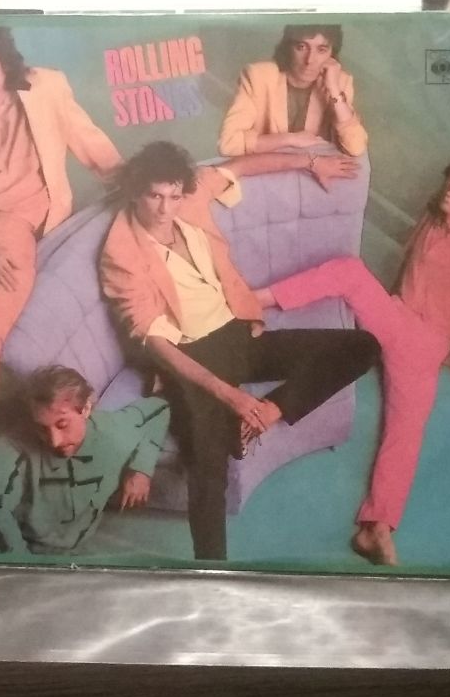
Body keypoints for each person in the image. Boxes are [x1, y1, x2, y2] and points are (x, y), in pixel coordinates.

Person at [98, 140, 379, 561]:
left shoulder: (190, 197)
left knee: (362, 346)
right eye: (155, 196)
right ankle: (211, 572)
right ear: (137, 192)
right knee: (208, 468)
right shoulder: (121, 253)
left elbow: (240, 166)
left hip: (238, 333)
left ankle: (271, 411)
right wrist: (228, 396)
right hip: (188, 356)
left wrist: (311, 161)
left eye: (173, 196)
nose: (165, 209)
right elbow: (156, 342)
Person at [253, 146, 450, 567]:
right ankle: (255, 302)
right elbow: (407, 277)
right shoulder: (432, 220)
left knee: (406, 431)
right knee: (350, 277)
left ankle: (377, 528)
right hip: (398, 322)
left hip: (427, 345)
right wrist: (384, 310)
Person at [0, 27, 122, 550]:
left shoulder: (47, 87)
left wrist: (140, 194)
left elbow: (94, 148)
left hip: (16, 224)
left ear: (2, 57)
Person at [0, 365, 171, 556]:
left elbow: (159, 409)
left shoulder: (112, 431)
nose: (54, 441)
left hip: (83, 550)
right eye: (42, 428)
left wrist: (141, 469)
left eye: (62, 424)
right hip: (27, 551)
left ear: (86, 409)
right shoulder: (13, 444)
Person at [219, 24, 368, 158]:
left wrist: (334, 91)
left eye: (321, 50)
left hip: (315, 174)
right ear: (288, 47)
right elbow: (228, 144)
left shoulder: (340, 82)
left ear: (331, 55)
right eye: (301, 47)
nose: (310, 60)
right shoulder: (258, 77)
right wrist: (290, 139)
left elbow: (356, 148)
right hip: (266, 170)